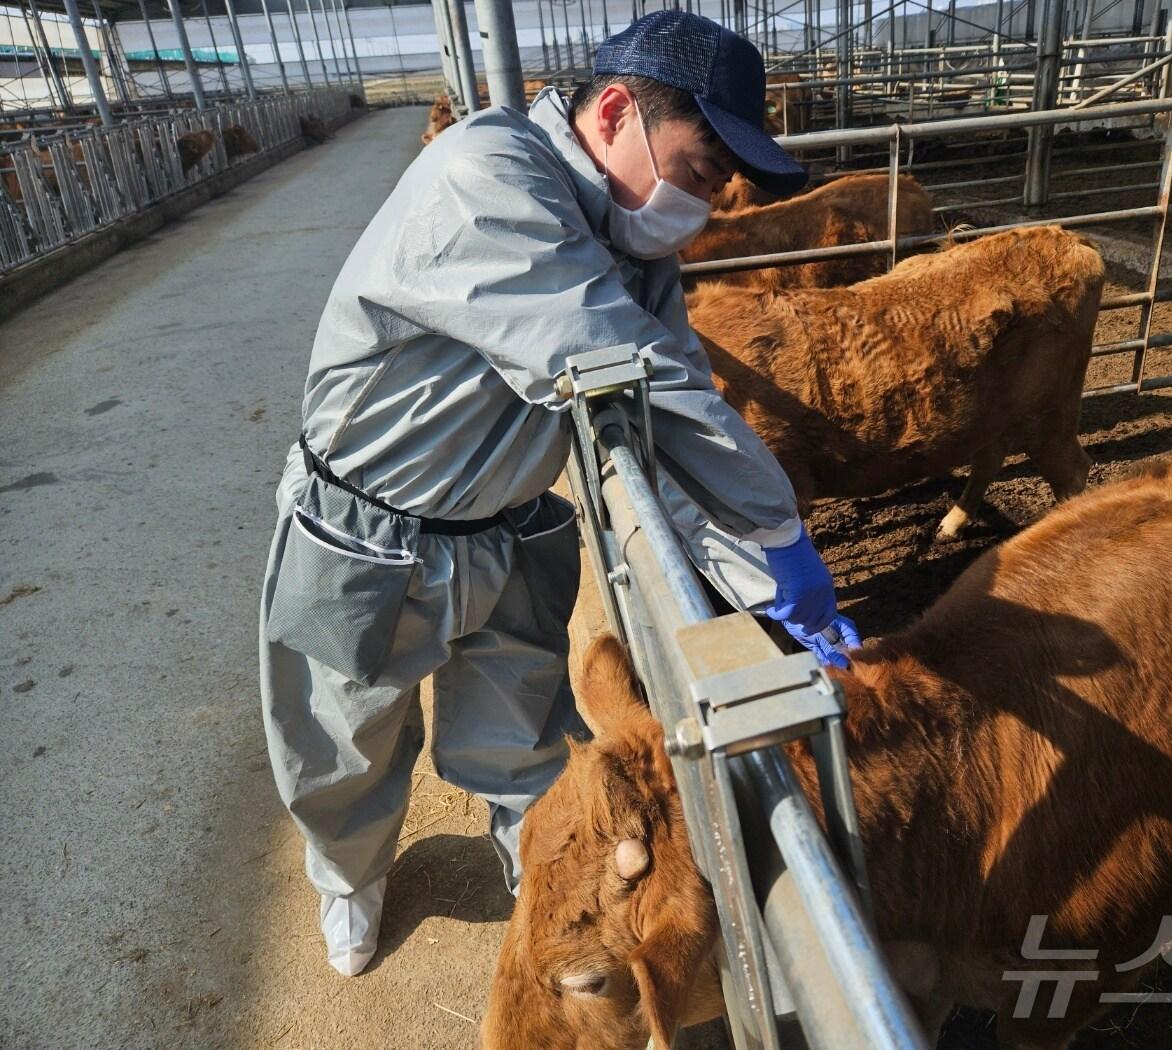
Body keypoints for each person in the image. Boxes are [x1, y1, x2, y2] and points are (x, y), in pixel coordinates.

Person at [258, 9, 862, 978]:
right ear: (615, 111)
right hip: (368, 529)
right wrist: (779, 526)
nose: (704, 207)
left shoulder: (633, 243)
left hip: (502, 526)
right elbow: (625, 368)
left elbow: (668, 399)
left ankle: (534, 876)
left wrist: (753, 572)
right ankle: (347, 874)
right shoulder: (487, 178)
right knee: (343, 741)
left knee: (522, 746)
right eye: (699, 172)